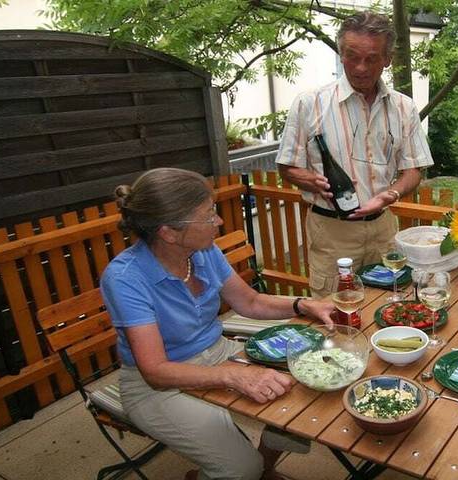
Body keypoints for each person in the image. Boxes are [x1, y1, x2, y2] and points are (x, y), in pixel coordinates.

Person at [100, 168, 335, 480]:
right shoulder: (125, 277)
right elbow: (155, 371)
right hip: (156, 385)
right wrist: (234, 376)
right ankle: (246, 471)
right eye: (209, 214)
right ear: (169, 232)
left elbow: (249, 302)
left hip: (218, 352)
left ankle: (259, 470)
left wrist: (302, 304)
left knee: (307, 400)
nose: (219, 221)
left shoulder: (203, 250)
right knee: (240, 467)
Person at [276, 11, 434, 298]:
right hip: (332, 230)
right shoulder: (309, 104)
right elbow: (287, 167)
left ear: (387, 59)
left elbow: (413, 171)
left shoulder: (403, 107)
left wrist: (390, 195)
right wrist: (311, 181)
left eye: (371, 58)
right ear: (341, 53)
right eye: (351, 56)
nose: (360, 67)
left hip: (384, 229)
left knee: (388, 301)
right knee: (335, 309)